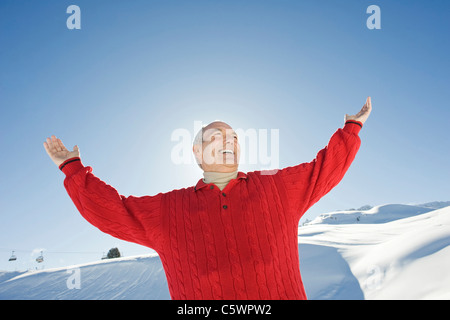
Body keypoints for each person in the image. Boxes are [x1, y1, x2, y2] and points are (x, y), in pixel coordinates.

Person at [43, 97, 372, 300]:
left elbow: (322, 169)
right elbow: (113, 212)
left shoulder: (276, 188)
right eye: (216, 137)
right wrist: (73, 169)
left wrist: (351, 128)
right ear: (196, 152)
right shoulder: (170, 210)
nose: (228, 141)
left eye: (233, 137)